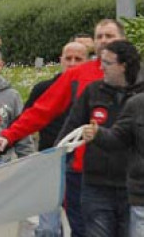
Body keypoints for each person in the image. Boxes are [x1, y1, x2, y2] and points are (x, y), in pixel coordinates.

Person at [0, 19, 126, 237]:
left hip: (127, 174)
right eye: (99, 36)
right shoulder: (77, 76)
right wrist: (8, 136)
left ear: (123, 40)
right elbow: (41, 111)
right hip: (83, 174)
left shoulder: (136, 76)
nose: (103, 41)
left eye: (109, 36)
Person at [56, 40, 140, 237]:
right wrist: (54, 161)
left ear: (123, 66)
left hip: (134, 190)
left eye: (107, 63)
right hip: (96, 185)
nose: (100, 67)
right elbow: (70, 129)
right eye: (99, 61)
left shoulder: (141, 96)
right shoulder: (93, 91)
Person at [81, 45, 144, 237]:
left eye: (106, 63)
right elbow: (118, 138)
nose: (101, 67)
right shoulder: (137, 104)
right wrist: (97, 134)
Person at [29, 41, 89, 237]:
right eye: (68, 58)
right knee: (48, 228)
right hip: (49, 162)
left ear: (87, 62)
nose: (72, 63)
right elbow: (26, 121)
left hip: (83, 165)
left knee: (81, 224)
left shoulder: (94, 91)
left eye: (78, 59)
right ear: (60, 60)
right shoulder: (43, 89)